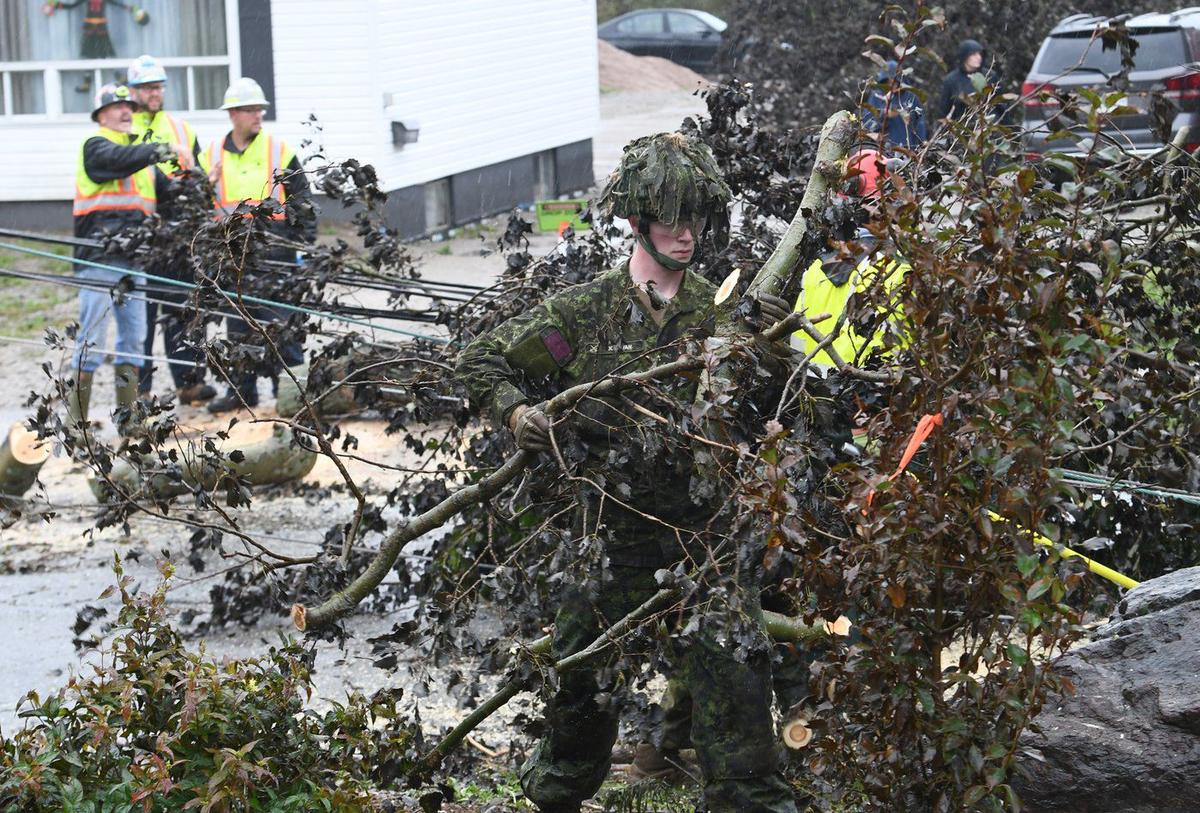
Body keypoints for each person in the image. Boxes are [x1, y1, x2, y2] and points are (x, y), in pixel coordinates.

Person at [455, 132, 796, 813]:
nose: (686, 231)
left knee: (738, 684)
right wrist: (518, 412)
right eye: (670, 216)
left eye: (696, 215)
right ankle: (553, 795)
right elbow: (481, 361)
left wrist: (776, 360)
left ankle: (748, 800)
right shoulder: (582, 315)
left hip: (705, 541)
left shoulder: (723, 311)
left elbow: (768, 408)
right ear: (636, 220)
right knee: (579, 693)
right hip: (610, 541)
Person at [67, 83, 185, 436]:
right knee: (91, 341)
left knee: (134, 340)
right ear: (100, 116)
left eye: (129, 108)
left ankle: (129, 421)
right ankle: (76, 427)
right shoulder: (97, 147)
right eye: (117, 107)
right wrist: (163, 148)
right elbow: (117, 162)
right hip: (99, 259)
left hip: (135, 262)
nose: (125, 112)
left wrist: (198, 186)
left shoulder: (144, 161)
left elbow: (174, 197)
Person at [200, 77, 316, 414]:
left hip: (274, 252)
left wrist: (304, 248)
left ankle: (293, 396)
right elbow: (198, 205)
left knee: (284, 327)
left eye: (260, 110)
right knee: (238, 327)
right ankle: (242, 391)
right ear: (233, 114)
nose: (258, 116)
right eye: (251, 110)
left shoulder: (279, 151)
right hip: (233, 254)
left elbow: (303, 203)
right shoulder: (210, 155)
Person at [126, 54, 216, 406]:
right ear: (133, 91)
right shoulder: (123, 128)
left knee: (185, 310)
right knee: (142, 317)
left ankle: (190, 382)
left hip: (179, 233)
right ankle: (141, 389)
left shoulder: (181, 128)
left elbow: (197, 178)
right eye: (148, 87)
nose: (155, 93)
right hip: (142, 232)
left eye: (158, 87)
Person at [792, 148, 909, 368]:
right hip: (868, 397)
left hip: (808, 394)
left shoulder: (816, 271)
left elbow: (794, 348)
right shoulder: (899, 272)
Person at [862, 59, 927, 149]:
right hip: (884, 149)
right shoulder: (876, 96)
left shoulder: (910, 96)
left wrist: (922, 143)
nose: (891, 84)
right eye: (887, 81)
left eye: (894, 81)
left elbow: (920, 122)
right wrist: (884, 114)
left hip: (907, 148)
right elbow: (867, 123)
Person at [938, 38, 1000, 121]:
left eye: (979, 54)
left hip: (988, 127)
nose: (978, 57)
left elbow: (1000, 105)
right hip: (963, 129)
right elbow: (944, 111)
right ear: (964, 56)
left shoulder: (990, 75)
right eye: (973, 54)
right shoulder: (951, 80)